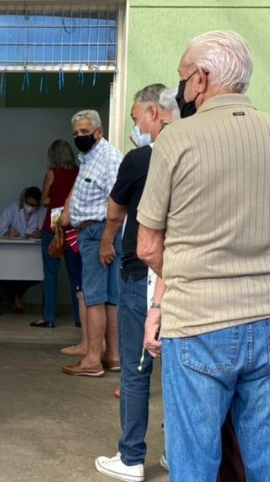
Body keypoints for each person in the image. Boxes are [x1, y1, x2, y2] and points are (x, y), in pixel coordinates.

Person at [139, 30, 270, 480]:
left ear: (201, 78)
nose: (182, 87)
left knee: (194, 463)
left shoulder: (175, 140)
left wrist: (184, 278)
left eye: (183, 77)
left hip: (198, 322)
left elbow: (147, 246)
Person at [93, 84, 179, 482]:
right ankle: (178, 454)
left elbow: (115, 211)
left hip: (143, 274)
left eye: (135, 118)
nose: (134, 127)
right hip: (187, 276)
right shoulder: (194, 154)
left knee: (135, 368)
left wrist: (107, 241)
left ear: (153, 113)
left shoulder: (142, 159)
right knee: (180, 372)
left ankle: (130, 457)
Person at [59, 110, 124, 377]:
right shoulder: (89, 158)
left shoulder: (108, 158)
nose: (79, 137)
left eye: (85, 132)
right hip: (96, 232)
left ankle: (92, 360)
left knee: (94, 298)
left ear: (99, 131)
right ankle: (113, 356)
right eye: (76, 133)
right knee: (109, 298)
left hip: (99, 233)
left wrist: (107, 240)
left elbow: (117, 201)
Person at [31, 140, 82, 329]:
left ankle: (49, 317)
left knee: (51, 274)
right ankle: (80, 318)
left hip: (52, 228)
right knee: (76, 275)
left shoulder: (51, 174)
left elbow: (44, 200)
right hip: (73, 228)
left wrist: (54, 200)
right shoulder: (79, 172)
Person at [0, 187, 45, 313]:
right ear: (24, 199)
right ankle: (16, 299)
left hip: (32, 255)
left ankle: (11, 295)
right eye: (29, 204)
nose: (31, 207)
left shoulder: (42, 212)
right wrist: (7, 233)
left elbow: (47, 230)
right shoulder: (13, 208)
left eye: (34, 205)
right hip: (11, 254)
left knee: (38, 274)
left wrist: (41, 233)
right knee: (5, 272)